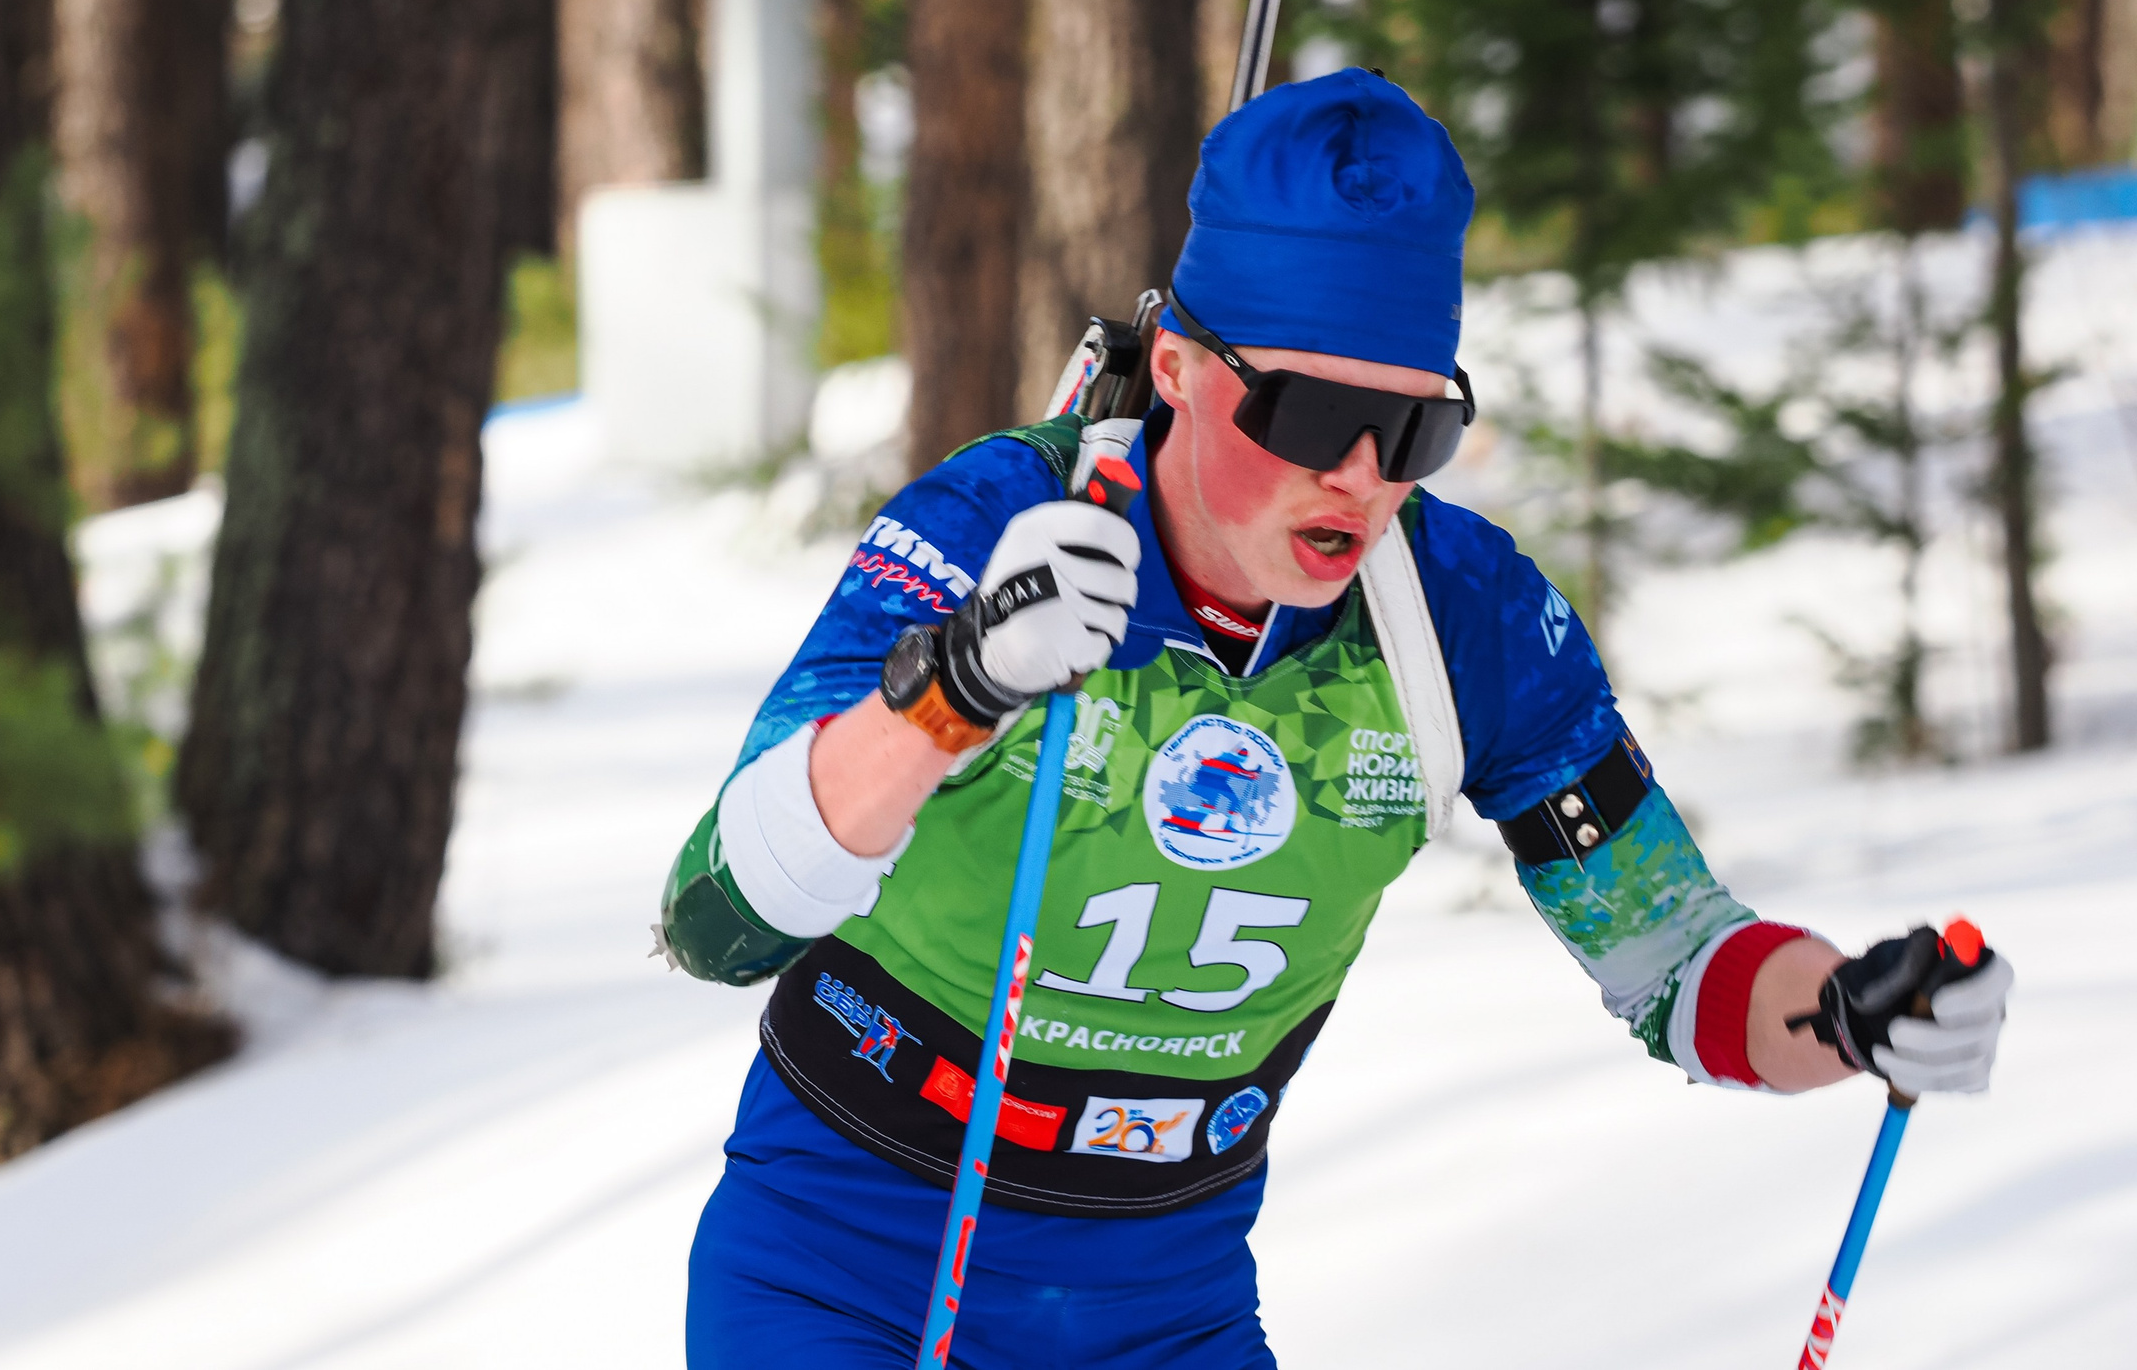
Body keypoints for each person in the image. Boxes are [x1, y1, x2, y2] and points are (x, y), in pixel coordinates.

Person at [656, 70, 2011, 1369]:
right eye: (1312, 412)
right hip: (851, 1262)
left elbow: (1674, 959)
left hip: (1163, 1310)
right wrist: (957, 691)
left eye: (1413, 430)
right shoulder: (1002, 530)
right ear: (1178, 365)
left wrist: (1844, 1012)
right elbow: (717, 919)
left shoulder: (1459, 613)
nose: (1361, 479)